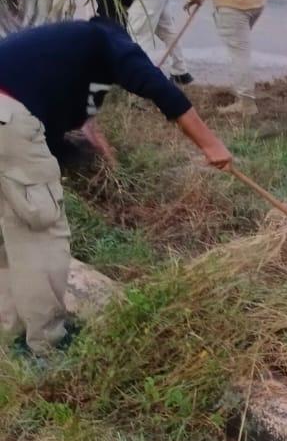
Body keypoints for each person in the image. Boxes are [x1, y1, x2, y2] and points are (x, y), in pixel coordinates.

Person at [0, 19, 232, 355]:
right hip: (8, 117)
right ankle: (46, 343)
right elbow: (159, 88)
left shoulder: (61, 48)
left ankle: (10, 330)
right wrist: (212, 146)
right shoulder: (110, 42)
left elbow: (67, 118)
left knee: (8, 228)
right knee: (39, 231)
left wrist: (89, 142)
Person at [54, 0, 193, 85]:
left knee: (136, 36)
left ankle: (143, 80)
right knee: (167, 32)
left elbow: (107, 4)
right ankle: (181, 72)